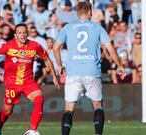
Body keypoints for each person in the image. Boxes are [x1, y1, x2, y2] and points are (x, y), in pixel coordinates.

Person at [53, 1, 126, 135]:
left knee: (69, 108)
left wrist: (59, 65)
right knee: (98, 106)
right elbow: (110, 48)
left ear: (77, 13)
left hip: (73, 72)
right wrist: (120, 65)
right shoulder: (97, 27)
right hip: (92, 72)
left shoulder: (68, 27)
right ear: (90, 12)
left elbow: (55, 47)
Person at [0, 23, 60, 135]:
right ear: (15, 35)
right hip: (12, 85)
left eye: (24, 32)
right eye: (20, 33)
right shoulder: (9, 46)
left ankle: (32, 131)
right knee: (7, 112)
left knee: (39, 99)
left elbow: (47, 59)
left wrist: (54, 76)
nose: (23, 35)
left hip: (28, 83)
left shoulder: (35, 46)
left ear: (27, 33)